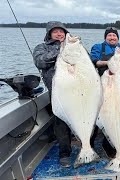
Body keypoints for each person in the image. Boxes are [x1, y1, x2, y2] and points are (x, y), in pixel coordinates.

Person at [90, 27, 120, 158]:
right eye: (109, 35)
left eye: (114, 36)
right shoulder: (98, 47)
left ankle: (110, 145)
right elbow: (95, 61)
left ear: (118, 38)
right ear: (105, 37)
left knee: (115, 115)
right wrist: (110, 63)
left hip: (118, 87)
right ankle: (89, 146)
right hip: (101, 85)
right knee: (96, 116)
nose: (112, 37)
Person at [33, 21, 72, 168]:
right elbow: (40, 62)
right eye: (55, 31)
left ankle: (87, 147)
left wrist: (70, 47)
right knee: (60, 122)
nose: (59, 34)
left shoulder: (73, 46)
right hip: (57, 93)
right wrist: (60, 49)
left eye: (61, 31)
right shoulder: (41, 48)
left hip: (76, 91)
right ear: (49, 34)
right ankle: (65, 153)